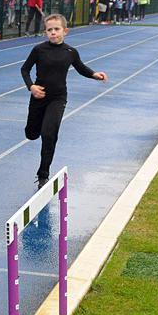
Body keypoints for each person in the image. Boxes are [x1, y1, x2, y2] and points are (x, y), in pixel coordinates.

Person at [21, 14, 107, 186]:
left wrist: (94, 75)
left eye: (56, 29)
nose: (53, 33)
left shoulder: (70, 52)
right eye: (49, 30)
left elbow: (81, 68)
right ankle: (33, 130)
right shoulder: (39, 49)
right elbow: (25, 69)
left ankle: (43, 174)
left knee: (49, 134)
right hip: (39, 97)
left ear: (65, 31)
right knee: (31, 134)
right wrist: (31, 87)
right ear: (46, 32)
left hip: (58, 98)